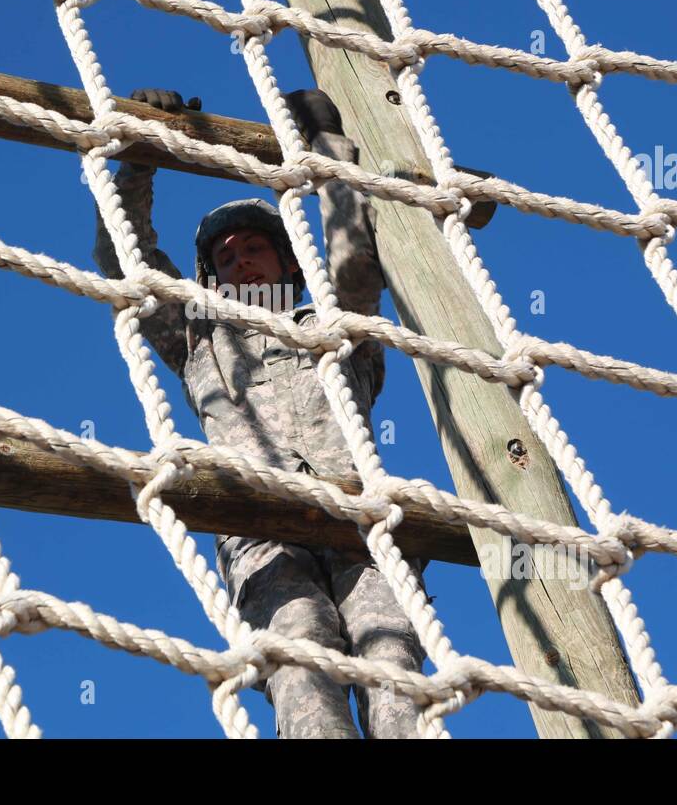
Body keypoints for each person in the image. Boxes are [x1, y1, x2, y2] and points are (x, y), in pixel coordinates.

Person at [93, 86, 429, 738]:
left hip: (360, 520)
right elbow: (122, 260)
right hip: (261, 530)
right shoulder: (198, 337)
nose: (239, 259)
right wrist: (138, 159)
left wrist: (324, 143)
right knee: (300, 647)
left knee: (391, 659)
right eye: (225, 258)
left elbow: (354, 252)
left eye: (252, 247)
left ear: (285, 262)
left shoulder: (336, 327)